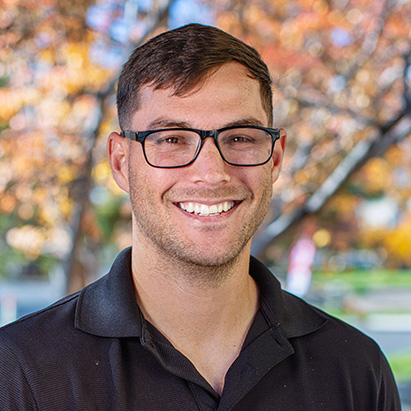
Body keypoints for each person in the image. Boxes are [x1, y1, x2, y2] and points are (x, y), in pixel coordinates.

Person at [0, 24, 400, 410]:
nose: (211, 173)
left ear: (275, 159)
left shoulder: (356, 370)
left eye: (240, 137)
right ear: (121, 163)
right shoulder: (20, 373)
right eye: (172, 139)